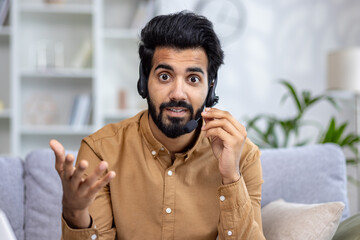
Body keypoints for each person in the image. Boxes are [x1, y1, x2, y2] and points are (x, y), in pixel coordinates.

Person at [50, 11, 265, 240]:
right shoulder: (101, 151)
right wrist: (76, 213)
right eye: (164, 76)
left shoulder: (243, 156)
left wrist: (231, 177)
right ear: (144, 81)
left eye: (193, 79)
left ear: (210, 89)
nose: (177, 93)